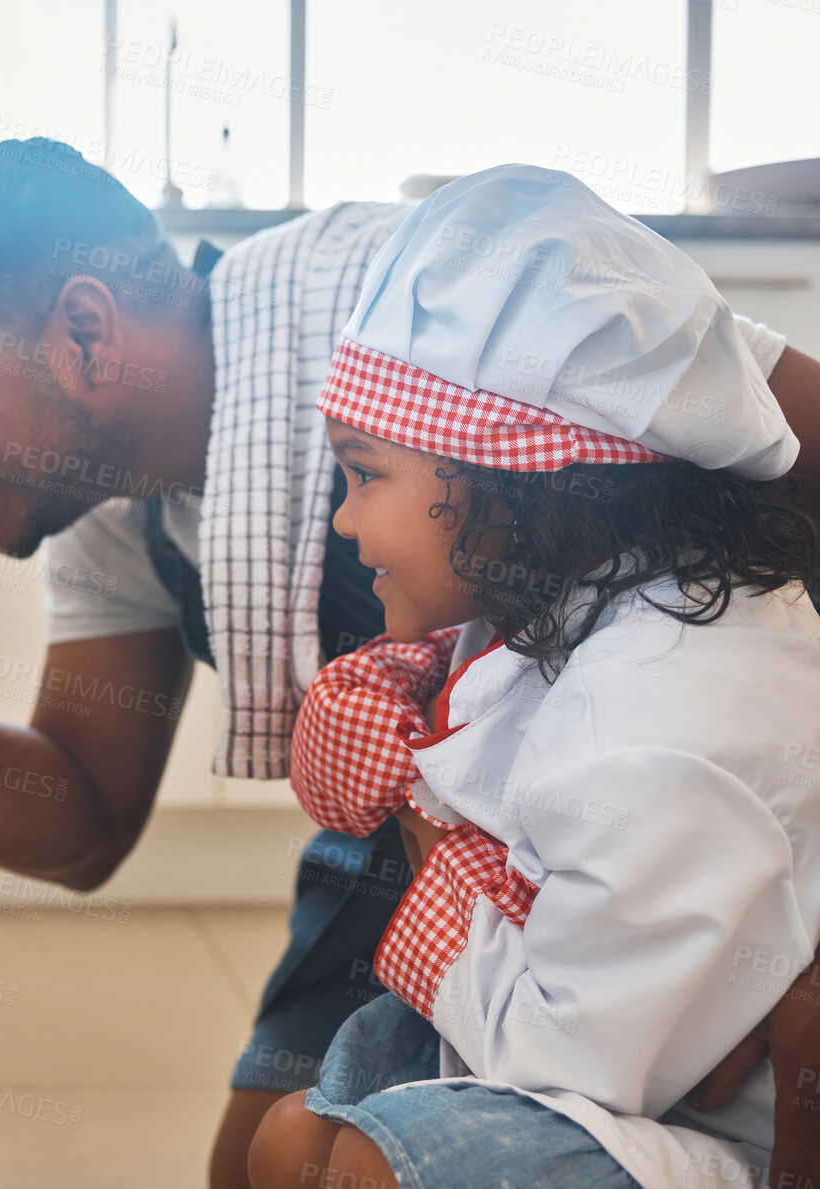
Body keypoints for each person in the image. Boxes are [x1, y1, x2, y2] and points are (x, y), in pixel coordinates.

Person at [0, 140, 820, 1188]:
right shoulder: (109, 511)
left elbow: (755, 425)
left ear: (84, 332)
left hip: (708, 801)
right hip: (443, 830)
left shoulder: (408, 302)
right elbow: (81, 817)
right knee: (273, 1161)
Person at [250, 164, 820, 1188]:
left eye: (366, 473)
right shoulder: (582, 604)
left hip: (698, 1116)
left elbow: (587, 1061)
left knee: (361, 1173)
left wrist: (424, 825)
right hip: (583, 1048)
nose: (343, 520)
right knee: (285, 1143)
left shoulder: (658, 719)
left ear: (512, 474)